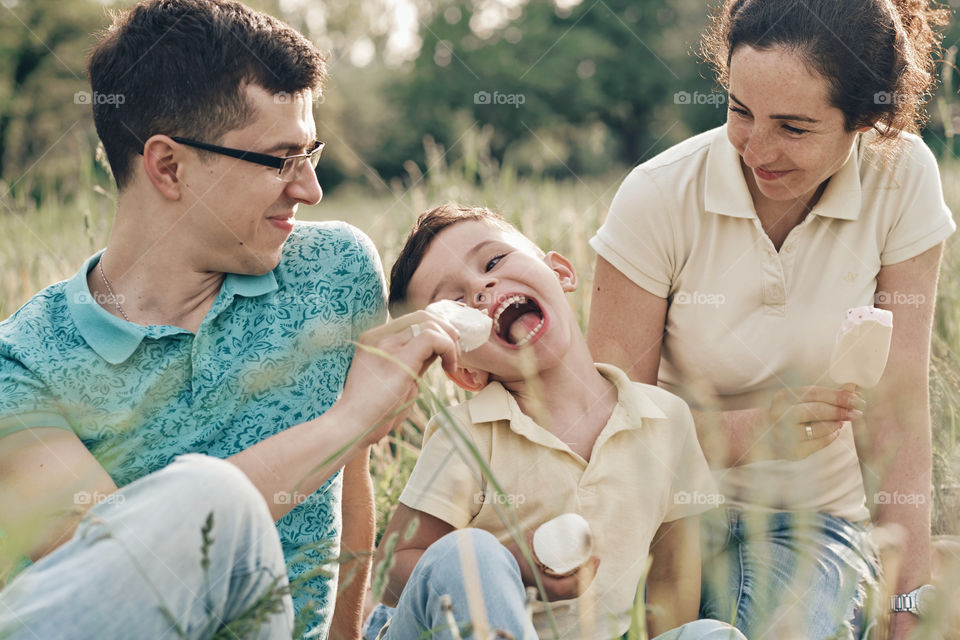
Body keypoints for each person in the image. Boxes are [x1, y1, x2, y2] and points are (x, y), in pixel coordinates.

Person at [0, 1, 464, 638]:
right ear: (168, 166)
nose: (309, 189)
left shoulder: (333, 270)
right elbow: (129, 567)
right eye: (280, 160)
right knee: (203, 498)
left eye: (311, 153)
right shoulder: (20, 365)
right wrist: (349, 421)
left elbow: (349, 497)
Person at [586, 0, 956, 638]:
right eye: (738, 111)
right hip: (662, 518)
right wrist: (749, 432)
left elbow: (897, 409)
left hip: (812, 524)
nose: (755, 149)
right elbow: (607, 432)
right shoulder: (656, 198)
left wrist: (907, 606)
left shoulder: (902, 177)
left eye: (793, 127)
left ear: (867, 118)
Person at [362, 205, 745, 640]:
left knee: (711, 635)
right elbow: (393, 569)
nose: (480, 286)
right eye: (454, 303)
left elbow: (674, 573)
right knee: (470, 552)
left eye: (493, 262)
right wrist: (512, 565)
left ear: (560, 272)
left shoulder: (665, 419)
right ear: (462, 368)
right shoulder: (467, 434)